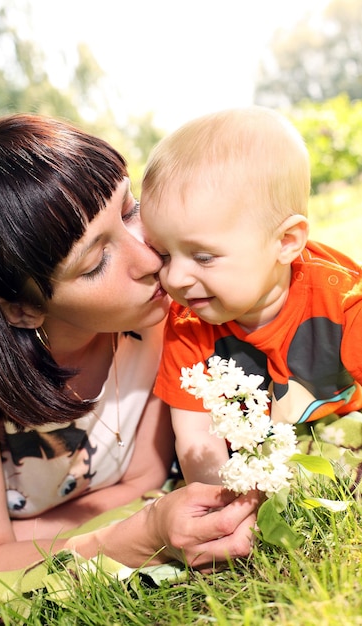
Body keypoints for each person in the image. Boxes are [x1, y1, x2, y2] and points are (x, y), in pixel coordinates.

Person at [0, 113, 259, 579]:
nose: (151, 258)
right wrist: (142, 531)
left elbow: (146, 478)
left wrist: (22, 536)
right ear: (20, 308)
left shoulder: (166, 308)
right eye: (95, 263)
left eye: (130, 210)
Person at [140, 105, 362, 486]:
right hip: (252, 455)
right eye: (162, 254)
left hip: (336, 426)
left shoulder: (342, 302)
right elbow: (197, 440)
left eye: (203, 257)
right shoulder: (186, 323)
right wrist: (217, 507)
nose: (174, 277)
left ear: (286, 242)